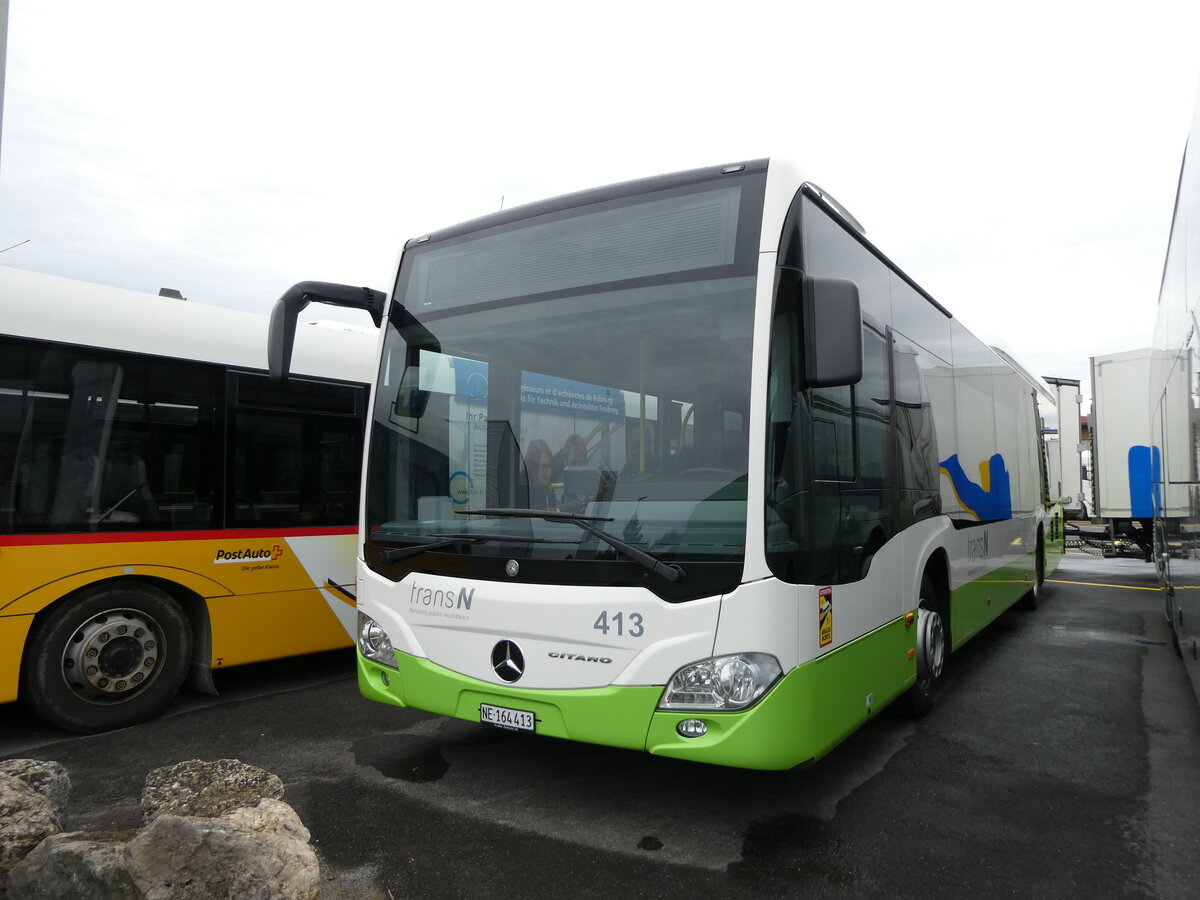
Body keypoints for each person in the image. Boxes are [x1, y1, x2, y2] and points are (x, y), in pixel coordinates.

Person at [523, 438, 555, 509]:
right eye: (544, 467)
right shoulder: (533, 494)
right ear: (532, 467)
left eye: (550, 466)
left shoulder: (544, 488)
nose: (549, 472)